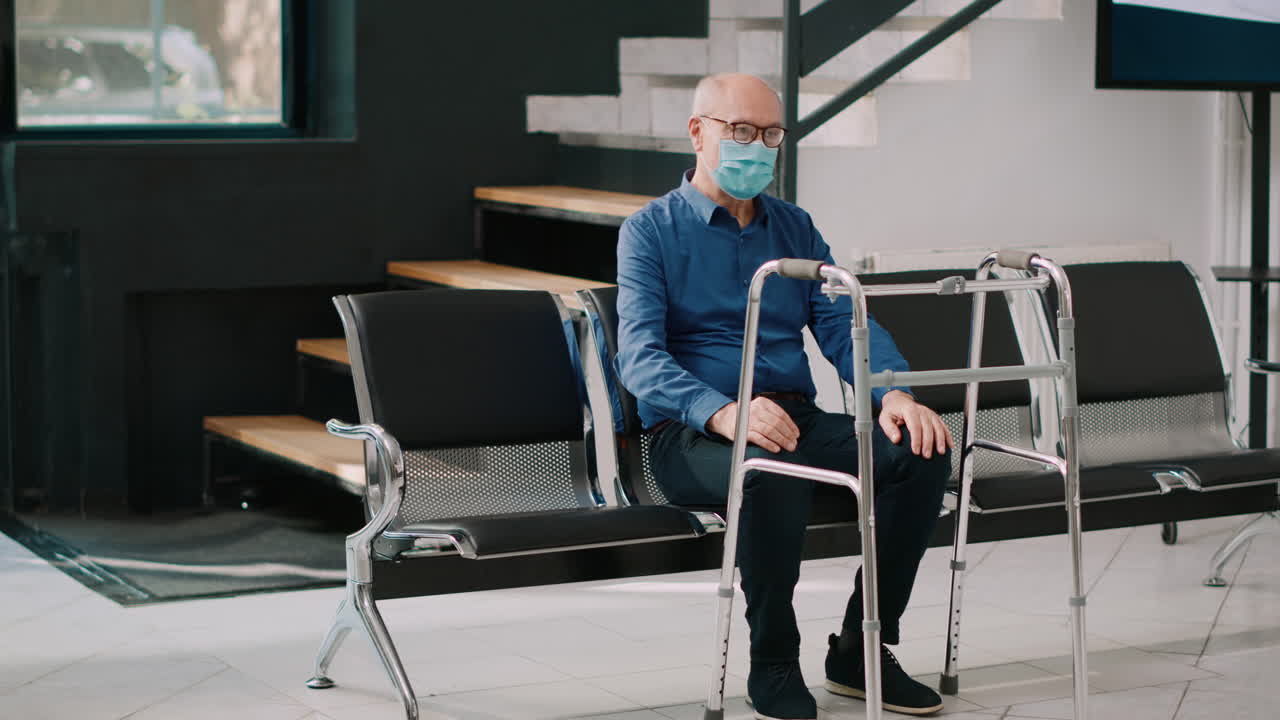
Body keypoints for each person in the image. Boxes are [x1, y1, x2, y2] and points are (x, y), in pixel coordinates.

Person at [615, 73, 953, 719]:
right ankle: (773, 661)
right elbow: (639, 357)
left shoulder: (794, 227)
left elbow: (841, 322)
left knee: (921, 450)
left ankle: (859, 650)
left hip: (793, 417)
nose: (757, 146)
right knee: (770, 469)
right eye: (740, 130)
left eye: (771, 134)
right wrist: (722, 410)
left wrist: (892, 394)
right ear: (698, 132)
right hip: (692, 433)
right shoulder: (650, 232)